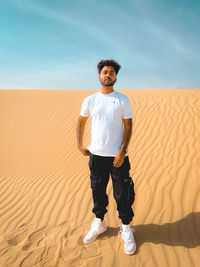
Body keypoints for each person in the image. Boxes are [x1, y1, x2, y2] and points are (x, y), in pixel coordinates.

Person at [76, 59, 136, 255]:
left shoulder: (122, 100)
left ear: (116, 77)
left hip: (117, 155)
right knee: (98, 189)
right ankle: (99, 222)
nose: (108, 75)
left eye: (111, 72)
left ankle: (126, 227)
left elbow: (128, 127)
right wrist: (80, 144)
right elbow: (81, 122)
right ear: (99, 75)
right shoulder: (90, 100)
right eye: (104, 72)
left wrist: (123, 150)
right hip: (96, 155)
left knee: (122, 193)